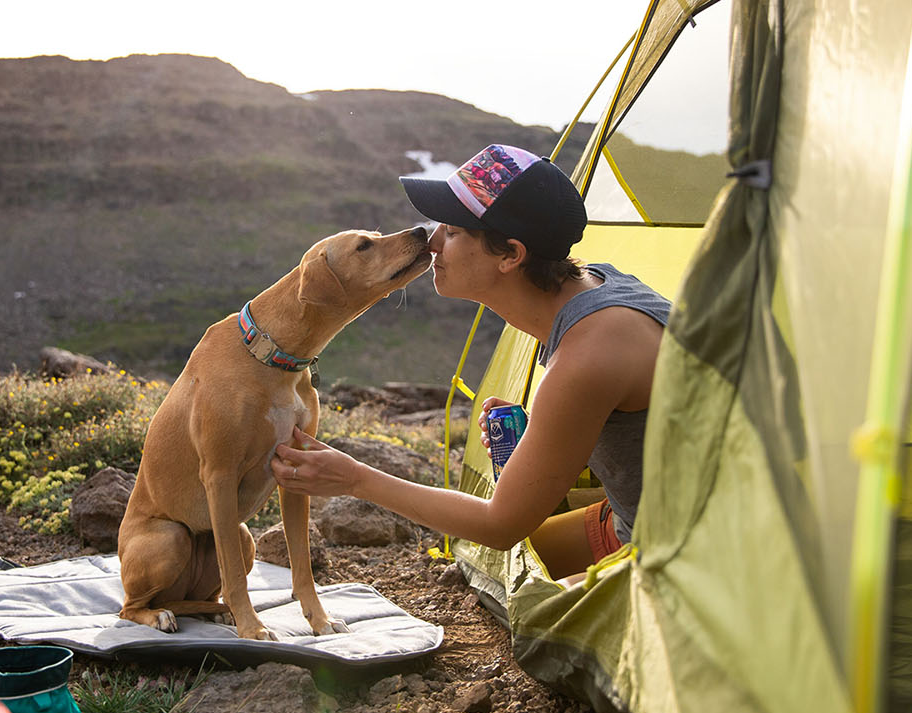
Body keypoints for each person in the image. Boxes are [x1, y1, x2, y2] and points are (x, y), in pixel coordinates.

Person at [270, 144, 671, 579]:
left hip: (698, 556)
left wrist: (354, 479)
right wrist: (542, 428)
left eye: (454, 231)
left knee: (536, 611)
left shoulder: (589, 351)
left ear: (511, 255)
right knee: (500, 572)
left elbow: (501, 525)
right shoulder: (599, 285)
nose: (433, 241)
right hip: (644, 519)